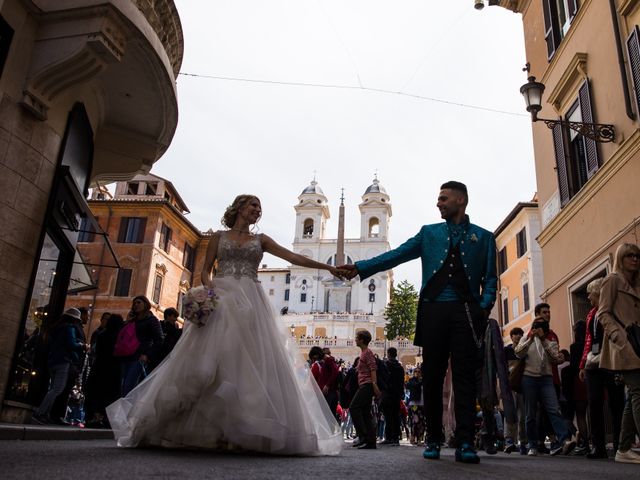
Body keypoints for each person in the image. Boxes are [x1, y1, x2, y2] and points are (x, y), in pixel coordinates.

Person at [107, 194, 344, 455]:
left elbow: (292, 256)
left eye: (259, 207)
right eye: (253, 205)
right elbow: (205, 271)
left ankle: (240, 427)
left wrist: (328, 267)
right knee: (209, 358)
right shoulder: (219, 238)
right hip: (222, 297)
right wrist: (210, 292)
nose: (257, 210)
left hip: (250, 301)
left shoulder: (261, 240)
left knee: (250, 359)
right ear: (239, 207)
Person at [340, 181, 497, 464]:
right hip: (433, 311)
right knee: (433, 378)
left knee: (464, 379)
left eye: (443, 198)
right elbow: (397, 255)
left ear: (460, 200)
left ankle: (464, 442)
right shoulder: (429, 233)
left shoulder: (484, 238)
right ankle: (434, 439)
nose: (438, 203)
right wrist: (361, 267)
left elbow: (491, 280)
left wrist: (482, 309)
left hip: (466, 313)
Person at [597, 242, 640, 464]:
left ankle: (623, 448)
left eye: (637, 256)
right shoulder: (612, 280)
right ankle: (624, 448)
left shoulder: (637, 283)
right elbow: (602, 314)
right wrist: (618, 337)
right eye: (629, 255)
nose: (634, 259)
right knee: (638, 392)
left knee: (634, 394)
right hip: (626, 344)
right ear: (620, 258)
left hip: (638, 343)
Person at [578, 278, 625, 459]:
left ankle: (621, 445)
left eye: (591, 293)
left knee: (616, 403)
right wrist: (583, 364)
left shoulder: (613, 309)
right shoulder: (591, 314)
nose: (588, 297)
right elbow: (588, 340)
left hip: (611, 361)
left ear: (599, 293)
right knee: (594, 402)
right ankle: (598, 447)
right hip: (593, 363)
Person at [515, 317, 576, 456]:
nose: (537, 329)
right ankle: (532, 445)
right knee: (530, 414)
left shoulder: (550, 342)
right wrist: (530, 339)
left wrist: (543, 340)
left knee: (554, 410)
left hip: (546, 379)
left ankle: (564, 440)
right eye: (535, 326)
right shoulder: (526, 339)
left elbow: (554, 359)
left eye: (540, 327)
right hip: (529, 378)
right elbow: (518, 353)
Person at [32, 308, 87, 425]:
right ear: (75, 319)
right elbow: (71, 344)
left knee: (53, 388)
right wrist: (82, 346)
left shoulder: (57, 328)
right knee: (57, 389)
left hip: (53, 361)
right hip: (63, 361)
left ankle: (45, 414)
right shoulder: (70, 328)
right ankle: (40, 413)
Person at [115, 296, 163, 396]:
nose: (136, 305)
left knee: (129, 387)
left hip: (138, 358)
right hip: (125, 357)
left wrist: (147, 355)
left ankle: (128, 410)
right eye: (134, 303)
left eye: (139, 302)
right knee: (122, 387)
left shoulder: (152, 320)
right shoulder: (132, 320)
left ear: (146, 304)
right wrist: (127, 321)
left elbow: (159, 340)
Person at [84, 314, 124, 428]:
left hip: (100, 366)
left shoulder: (101, 335)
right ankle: (106, 418)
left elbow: (96, 350)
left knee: (97, 392)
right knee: (111, 393)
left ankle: (95, 417)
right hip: (114, 368)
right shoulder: (119, 336)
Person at [350, 330, 380, 450]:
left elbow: (373, 368)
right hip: (364, 384)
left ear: (362, 340)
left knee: (354, 407)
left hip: (367, 385)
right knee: (366, 413)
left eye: (357, 337)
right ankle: (371, 441)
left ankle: (363, 435)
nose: (355, 339)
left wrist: (374, 384)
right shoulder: (363, 353)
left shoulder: (367, 352)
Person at [504, 327, 527, 455]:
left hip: (522, 386)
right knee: (509, 412)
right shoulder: (507, 350)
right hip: (509, 385)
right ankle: (509, 441)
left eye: (520, 334)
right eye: (516, 334)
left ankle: (522, 442)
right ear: (511, 336)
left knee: (522, 416)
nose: (518, 336)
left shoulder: (524, 350)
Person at [380, 347, 405, 446]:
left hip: (388, 393)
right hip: (397, 394)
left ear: (389, 354)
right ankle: (396, 438)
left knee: (388, 416)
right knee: (395, 415)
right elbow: (402, 382)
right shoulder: (400, 367)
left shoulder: (386, 365)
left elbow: (383, 378)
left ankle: (389, 437)